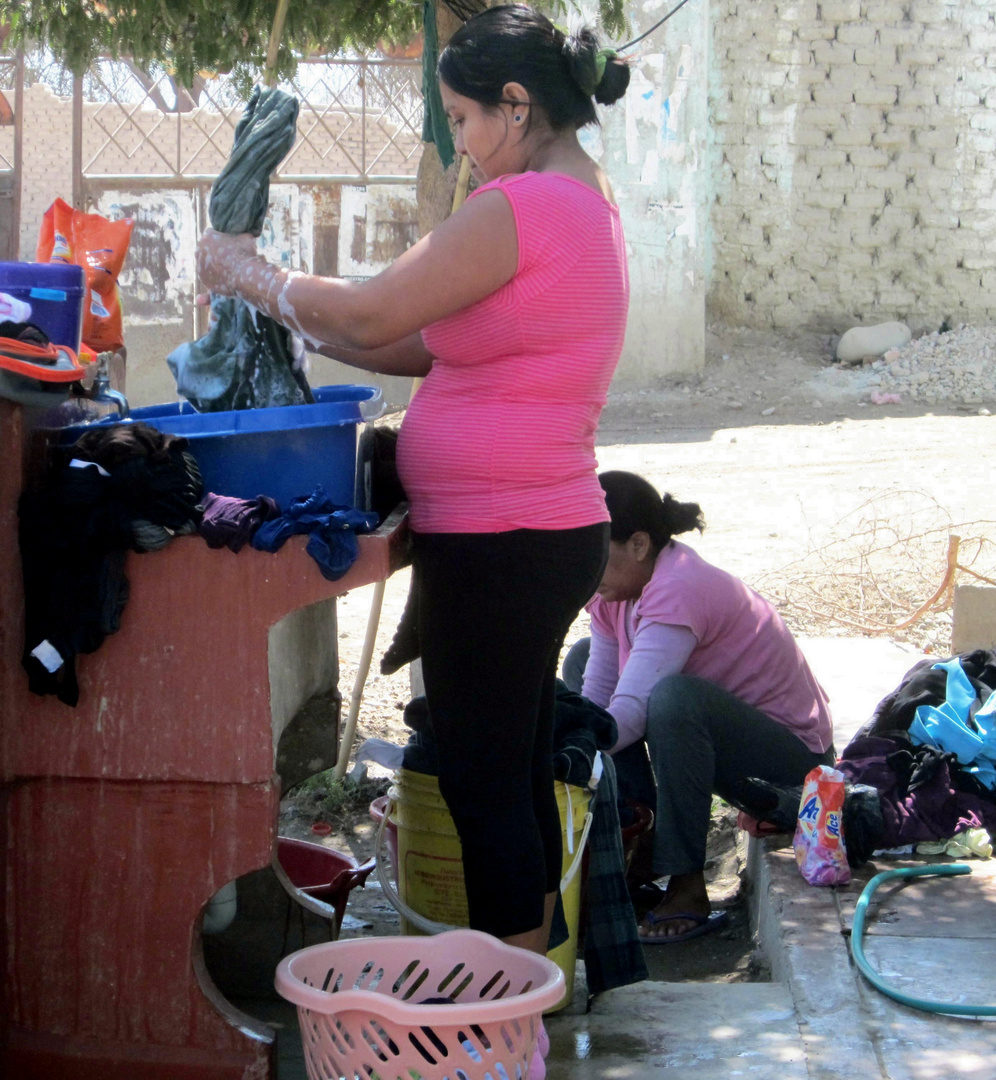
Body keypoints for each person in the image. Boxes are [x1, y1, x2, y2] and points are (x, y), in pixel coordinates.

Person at [196, 2, 630, 1042]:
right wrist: (296, 315)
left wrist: (243, 269)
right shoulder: (577, 203)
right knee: (512, 772)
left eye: (464, 120)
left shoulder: (522, 206)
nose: (462, 145)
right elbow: (420, 343)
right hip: (531, 531)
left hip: (507, 538)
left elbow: (375, 311)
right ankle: (527, 1004)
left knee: (484, 783)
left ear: (517, 107)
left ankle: (503, 1025)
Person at [566, 471, 834, 944]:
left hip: (795, 766)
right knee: (581, 659)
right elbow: (597, 696)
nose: (585, 568)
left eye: (595, 552)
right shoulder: (613, 591)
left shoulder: (680, 586)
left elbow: (626, 715)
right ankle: (638, 830)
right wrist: (569, 731)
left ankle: (687, 882)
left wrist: (560, 745)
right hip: (723, 741)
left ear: (639, 545)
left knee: (672, 700)